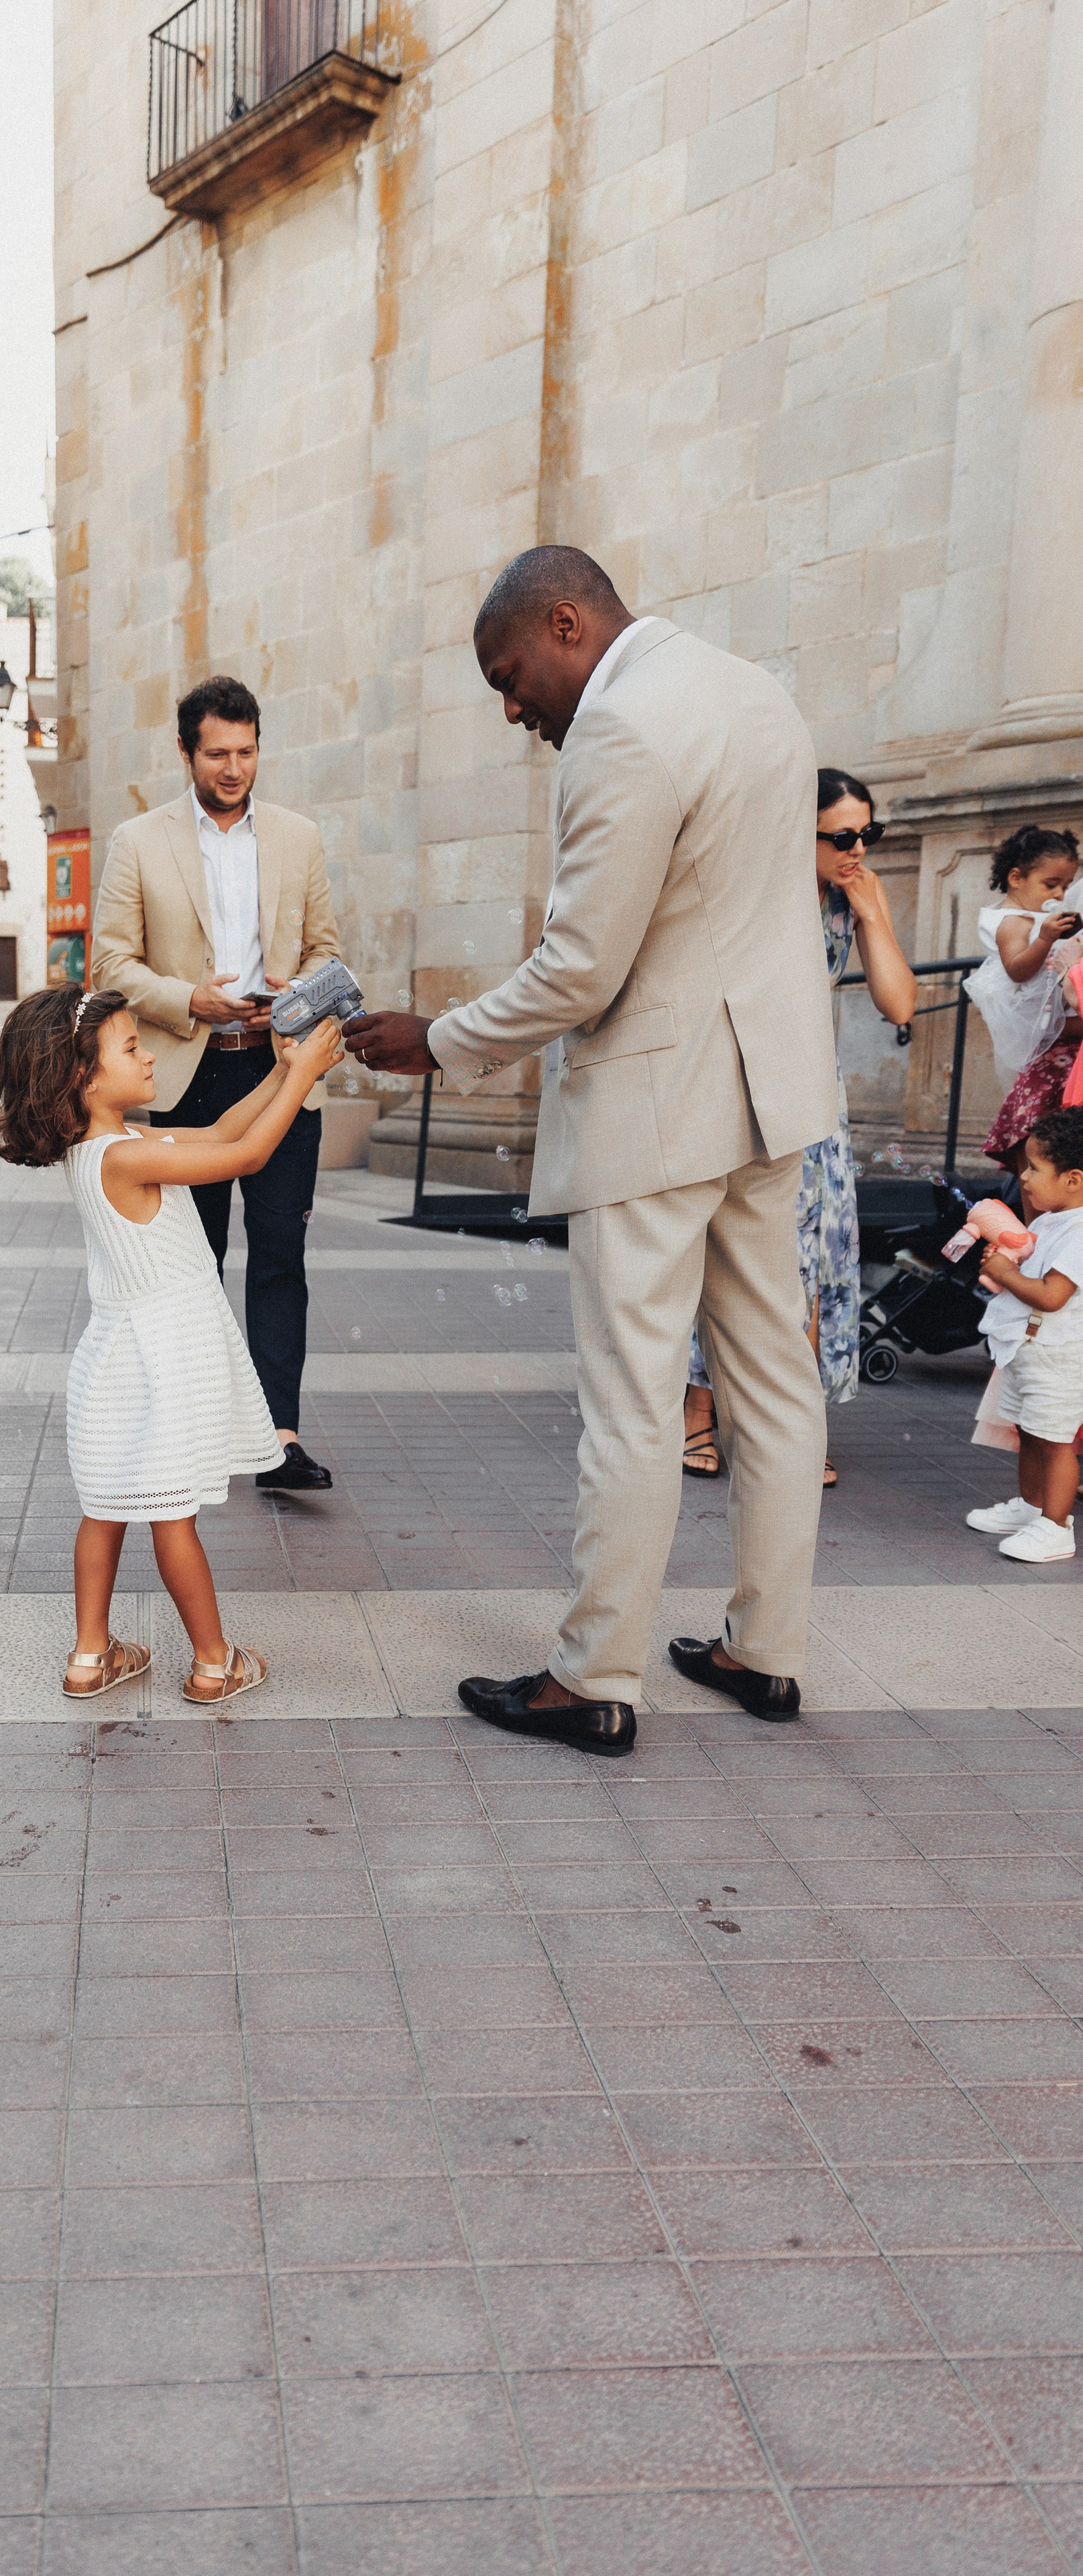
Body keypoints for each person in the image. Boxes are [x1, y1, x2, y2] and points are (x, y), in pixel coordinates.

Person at [345, 545, 838, 1755]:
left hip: (659, 1110)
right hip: (770, 1096)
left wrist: (438, 1040)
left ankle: (594, 1677)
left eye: (513, 676)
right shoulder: (752, 691)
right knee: (775, 1380)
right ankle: (765, 1653)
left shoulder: (620, 728)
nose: (514, 709)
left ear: (569, 622)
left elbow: (582, 968)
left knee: (631, 1397)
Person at [0, 985, 344, 1703]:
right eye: (130, 1046)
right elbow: (243, 1157)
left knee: (104, 1507)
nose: (149, 1055)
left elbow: (217, 1133)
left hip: (119, 1360)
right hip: (163, 1360)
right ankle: (214, 1662)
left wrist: (280, 1071)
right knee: (170, 1518)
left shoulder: (107, 1148)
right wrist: (303, 1078)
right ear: (83, 1076)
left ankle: (91, 1655)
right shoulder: (124, 1158)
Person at [91, 675, 343, 1493]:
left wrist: (296, 1000)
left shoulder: (300, 837)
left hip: (276, 1069)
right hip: (183, 1074)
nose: (233, 769)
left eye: (245, 752)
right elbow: (109, 963)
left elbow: (324, 951)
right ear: (185, 753)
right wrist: (187, 998)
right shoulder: (138, 840)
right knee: (189, 1261)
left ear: (259, 747)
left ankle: (278, 1436)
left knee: (281, 1255)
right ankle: (192, 1426)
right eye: (217, 755)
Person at [682, 770, 917, 1488]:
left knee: (814, 1261)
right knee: (732, 1256)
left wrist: (873, 915)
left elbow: (899, 1004)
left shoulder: (850, 902)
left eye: (868, 835)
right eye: (841, 836)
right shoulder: (755, 895)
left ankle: (794, 1429)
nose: (858, 850)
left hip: (814, 1099)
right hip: (740, 1091)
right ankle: (698, 1414)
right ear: (798, 830)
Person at [964, 1106, 1083, 1563]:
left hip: (1059, 1356)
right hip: (1029, 1350)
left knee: (1055, 1442)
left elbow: (1052, 1296)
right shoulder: (1052, 1221)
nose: (1025, 1178)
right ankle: (1032, 1508)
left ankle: (1056, 1528)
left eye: (1035, 1168)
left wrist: (1005, 1274)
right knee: (1029, 1433)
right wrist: (1005, 1269)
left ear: (1072, 1179)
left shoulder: (1080, 1231)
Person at [978, 828, 1083, 1176]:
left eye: (1066, 886)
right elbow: (1017, 970)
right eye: (1051, 884)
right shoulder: (1012, 921)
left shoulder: (1041, 917)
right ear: (1016, 878)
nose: (1059, 894)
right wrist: (1045, 939)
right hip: (1031, 1015)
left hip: (1052, 1008)